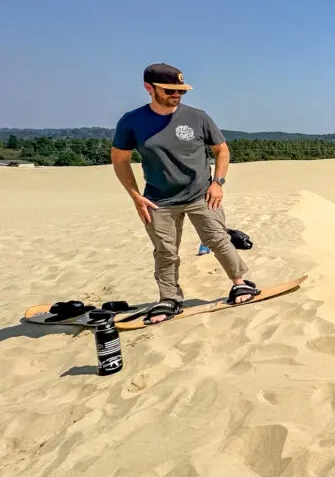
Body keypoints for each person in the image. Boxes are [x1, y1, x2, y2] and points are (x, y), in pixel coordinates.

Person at [110, 63, 259, 323]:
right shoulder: (132, 121)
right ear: (149, 88)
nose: (176, 95)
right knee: (165, 251)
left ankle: (240, 282)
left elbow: (221, 150)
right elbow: (120, 159)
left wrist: (218, 182)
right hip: (158, 200)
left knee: (218, 239)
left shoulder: (198, 117)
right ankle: (169, 298)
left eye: (181, 91)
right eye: (169, 90)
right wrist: (135, 196)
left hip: (202, 194)